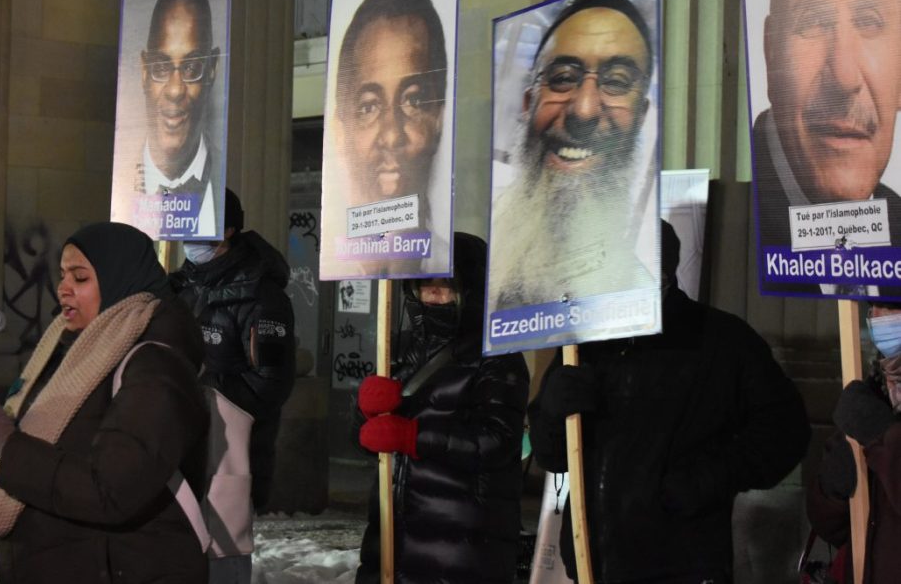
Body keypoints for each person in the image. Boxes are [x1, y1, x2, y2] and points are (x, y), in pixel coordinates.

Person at [528, 221, 811, 583]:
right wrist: (553, 409)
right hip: (589, 563)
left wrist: (706, 478)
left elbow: (785, 431)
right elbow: (551, 456)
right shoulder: (586, 341)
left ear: (662, 271)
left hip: (684, 564)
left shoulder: (721, 341)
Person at [0, 222, 210, 583]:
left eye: (80, 278)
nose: (63, 289)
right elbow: (25, 479)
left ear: (119, 280)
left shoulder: (155, 366)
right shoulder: (67, 355)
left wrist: (6, 444)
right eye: (63, 275)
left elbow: (112, 491)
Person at [353, 233, 530, 583]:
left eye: (447, 283)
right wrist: (364, 414)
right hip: (393, 534)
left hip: (460, 542)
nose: (434, 291)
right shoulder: (398, 350)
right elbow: (370, 443)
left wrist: (413, 436)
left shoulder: (498, 356)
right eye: (426, 282)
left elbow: (497, 441)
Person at [488, 0, 657, 310]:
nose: (584, 110)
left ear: (640, 117)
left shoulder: (635, 300)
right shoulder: (484, 249)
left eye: (617, 82)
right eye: (563, 79)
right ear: (528, 104)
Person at [170, 189, 295, 582]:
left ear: (228, 230)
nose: (191, 239)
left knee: (221, 554)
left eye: (201, 229)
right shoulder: (177, 287)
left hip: (227, 452)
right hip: (176, 443)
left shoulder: (261, 295)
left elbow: (270, 385)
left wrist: (202, 393)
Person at [755, 0, 901, 295]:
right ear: (772, 54)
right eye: (813, 21)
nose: (844, 77)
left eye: (869, 21)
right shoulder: (728, 233)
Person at [330, 0, 450, 276]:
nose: (392, 135)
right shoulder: (333, 265)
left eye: (414, 101)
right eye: (369, 106)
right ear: (339, 129)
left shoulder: (450, 268)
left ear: (439, 119)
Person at [807, 300, 901, 582]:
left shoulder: (875, 418)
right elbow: (836, 530)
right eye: (875, 305)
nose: (880, 317)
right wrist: (831, 493)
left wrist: (884, 439)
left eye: (894, 305)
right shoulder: (877, 391)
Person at [115, 0, 222, 238]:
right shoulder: (120, 184)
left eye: (192, 67)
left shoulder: (229, 185)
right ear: (144, 71)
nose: (175, 90)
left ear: (212, 69)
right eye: (161, 67)